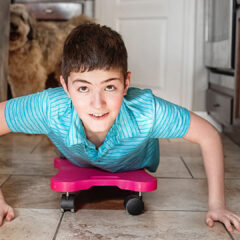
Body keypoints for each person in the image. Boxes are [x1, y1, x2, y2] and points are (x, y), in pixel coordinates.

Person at [0, 23, 240, 231]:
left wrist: (217, 205)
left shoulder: (146, 112)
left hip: (134, 160)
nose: (98, 103)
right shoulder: (50, 107)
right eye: (83, 88)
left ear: (126, 84)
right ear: (65, 87)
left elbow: (208, 135)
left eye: (110, 87)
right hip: (76, 158)